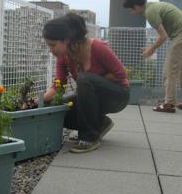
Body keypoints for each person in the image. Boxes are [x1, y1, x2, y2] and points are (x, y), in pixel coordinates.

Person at [41, 13, 129, 153]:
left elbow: (121, 75)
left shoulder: (98, 48)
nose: (51, 50)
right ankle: (100, 123)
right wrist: (39, 101)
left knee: (85, 78)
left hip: (117, 96)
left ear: (67, 40)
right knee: (56, 111)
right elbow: (59, 86)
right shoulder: (63, 57)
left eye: (53, 45)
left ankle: (89, 138)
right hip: (91, 99)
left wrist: (93, 80)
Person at [123, 0, 182, 113]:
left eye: (131, 10)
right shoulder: (153, 6)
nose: (131, 13)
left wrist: (151, 50)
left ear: (136, 6)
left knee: (169, 71)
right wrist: (151, 48)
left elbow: (163, 36)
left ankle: (169, 103)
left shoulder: (150, 12)